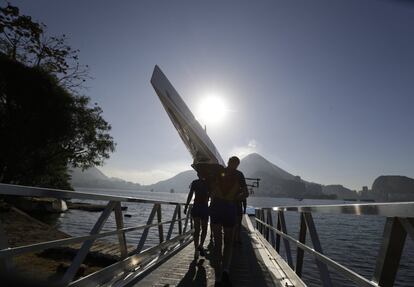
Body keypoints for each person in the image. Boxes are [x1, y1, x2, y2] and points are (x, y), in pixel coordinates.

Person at [209, 156, 248, 286]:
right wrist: (236, 198)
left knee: (217, 242)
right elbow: (246, 193)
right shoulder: (239, 175)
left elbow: (213, 190)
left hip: (217, 207)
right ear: (237, 164)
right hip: (230, 207)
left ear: (228, 162)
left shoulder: (219, 172)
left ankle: (218, 276)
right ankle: (226, 270)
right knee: (229, 242)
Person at [184, 172, 210, 259]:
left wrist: (187, 205)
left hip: (196, 207)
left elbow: (190, 194)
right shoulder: (209, 183)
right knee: (204, 228)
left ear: (198, 175)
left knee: (197, 229)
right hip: (204, 208)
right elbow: (211, 195)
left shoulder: (195, 182)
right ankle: (201, 245)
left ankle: (196, 250)